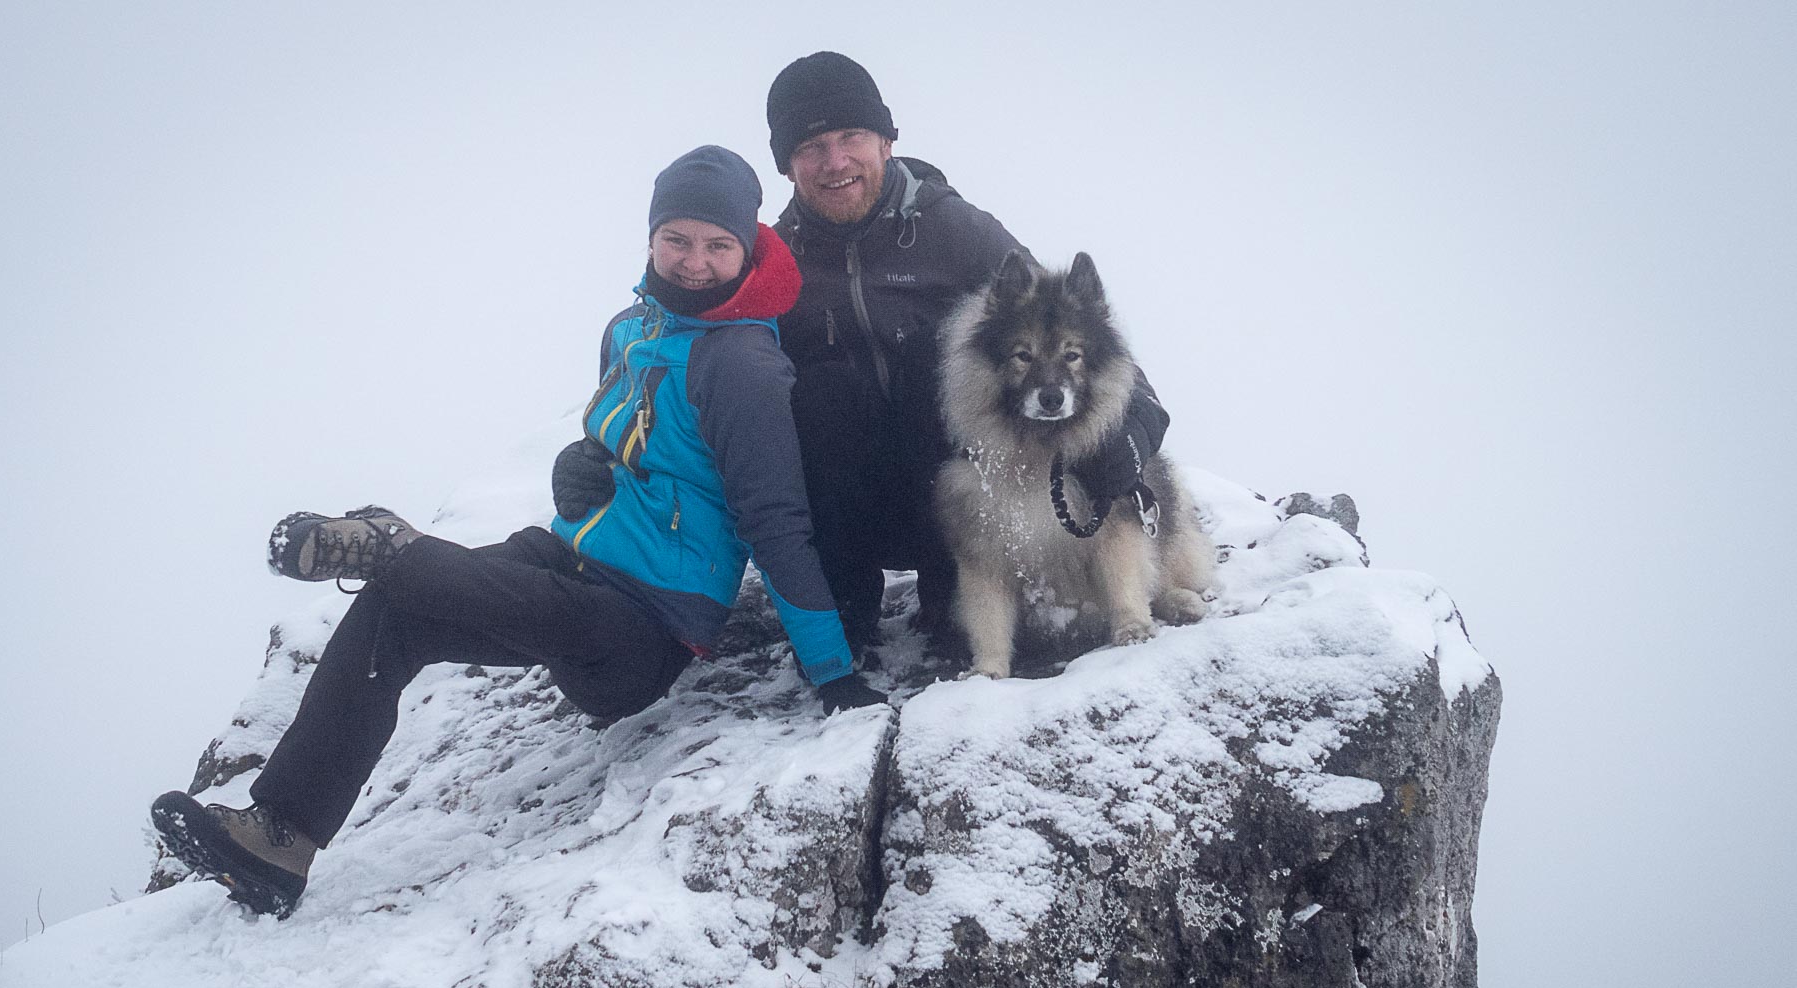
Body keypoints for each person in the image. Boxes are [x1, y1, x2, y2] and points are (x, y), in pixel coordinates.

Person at [151, 145, 887, 918]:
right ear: (650, 238)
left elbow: (773, 519)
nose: (695, 262)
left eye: (717, 245)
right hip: (576, 559)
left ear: (747, 247)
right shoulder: (633, 328)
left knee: (412, 574)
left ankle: (389, 543)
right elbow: (634, 442)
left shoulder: (741, 365)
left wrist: (831, 669)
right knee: (395, 617)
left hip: (641, 632)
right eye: (678, 238)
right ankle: (279, 837)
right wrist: (586, 460)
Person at [555, 54, 1174, 650]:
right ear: (787, 165)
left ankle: (952, 592)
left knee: (964, 620)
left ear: (886, 141)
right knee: (819, 391)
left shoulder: (956, 231)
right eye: (810, 147)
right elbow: (687, 355)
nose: (836, 161)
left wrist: (1132, 431)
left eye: (852, 135)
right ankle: (842, 606)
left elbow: (1078, 338)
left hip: (953, 501)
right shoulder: (773, 260)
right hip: (839, 511)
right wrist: (601, 454)